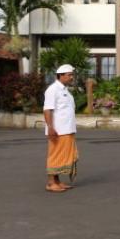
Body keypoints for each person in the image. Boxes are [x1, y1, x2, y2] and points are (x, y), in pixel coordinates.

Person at [43, 64, 78, 193]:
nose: (71, 77)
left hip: (67, 129)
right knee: (55, 155)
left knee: (62, 155)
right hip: (58, 131)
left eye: (72, 75)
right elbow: (47, 110)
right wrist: (50, 127)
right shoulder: (53, 90)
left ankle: (57, 181)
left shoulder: (65, 90)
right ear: (60, 76)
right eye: (69, 75)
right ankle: (51, 183)